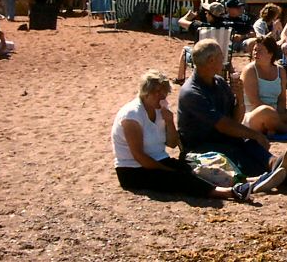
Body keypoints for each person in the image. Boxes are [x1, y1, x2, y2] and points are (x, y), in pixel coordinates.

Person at [116, 69, 271, 202]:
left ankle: (246, 181)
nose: (162, 96)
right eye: (157, 93)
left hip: (158, 159)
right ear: (146, 92)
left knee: (196, 168)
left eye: (164, 92)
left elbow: (171, 143)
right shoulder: (132, 116)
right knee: (181, 179)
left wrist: (169, 122)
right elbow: (139, 156)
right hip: (133, 170)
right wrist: (166, 169)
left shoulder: (159, 109)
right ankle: (229, 193)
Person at [178, 40, 287, 192]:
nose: (224, 60)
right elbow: (223, 125)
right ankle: (271, 177)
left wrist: (239, 100)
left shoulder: (219, 83)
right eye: (220, 56)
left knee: (248, 143)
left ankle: (277, 165)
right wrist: (255, 134)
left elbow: (235, 119)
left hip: (224, 138)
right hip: (202, 145)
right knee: (238, 153)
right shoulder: (192, 92)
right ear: (211, 60)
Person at [238, 37, 287, 135]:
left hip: (276, 113)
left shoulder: (280, 71)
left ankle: (277, 127)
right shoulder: (250, 70)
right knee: (266, 111)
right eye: (255, 50)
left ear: (270, 54)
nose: (255, 53)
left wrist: (280, 114)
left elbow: (282, 99)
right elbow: (255, 102)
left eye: (260, 51)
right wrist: (274, 114)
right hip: (255, 114)